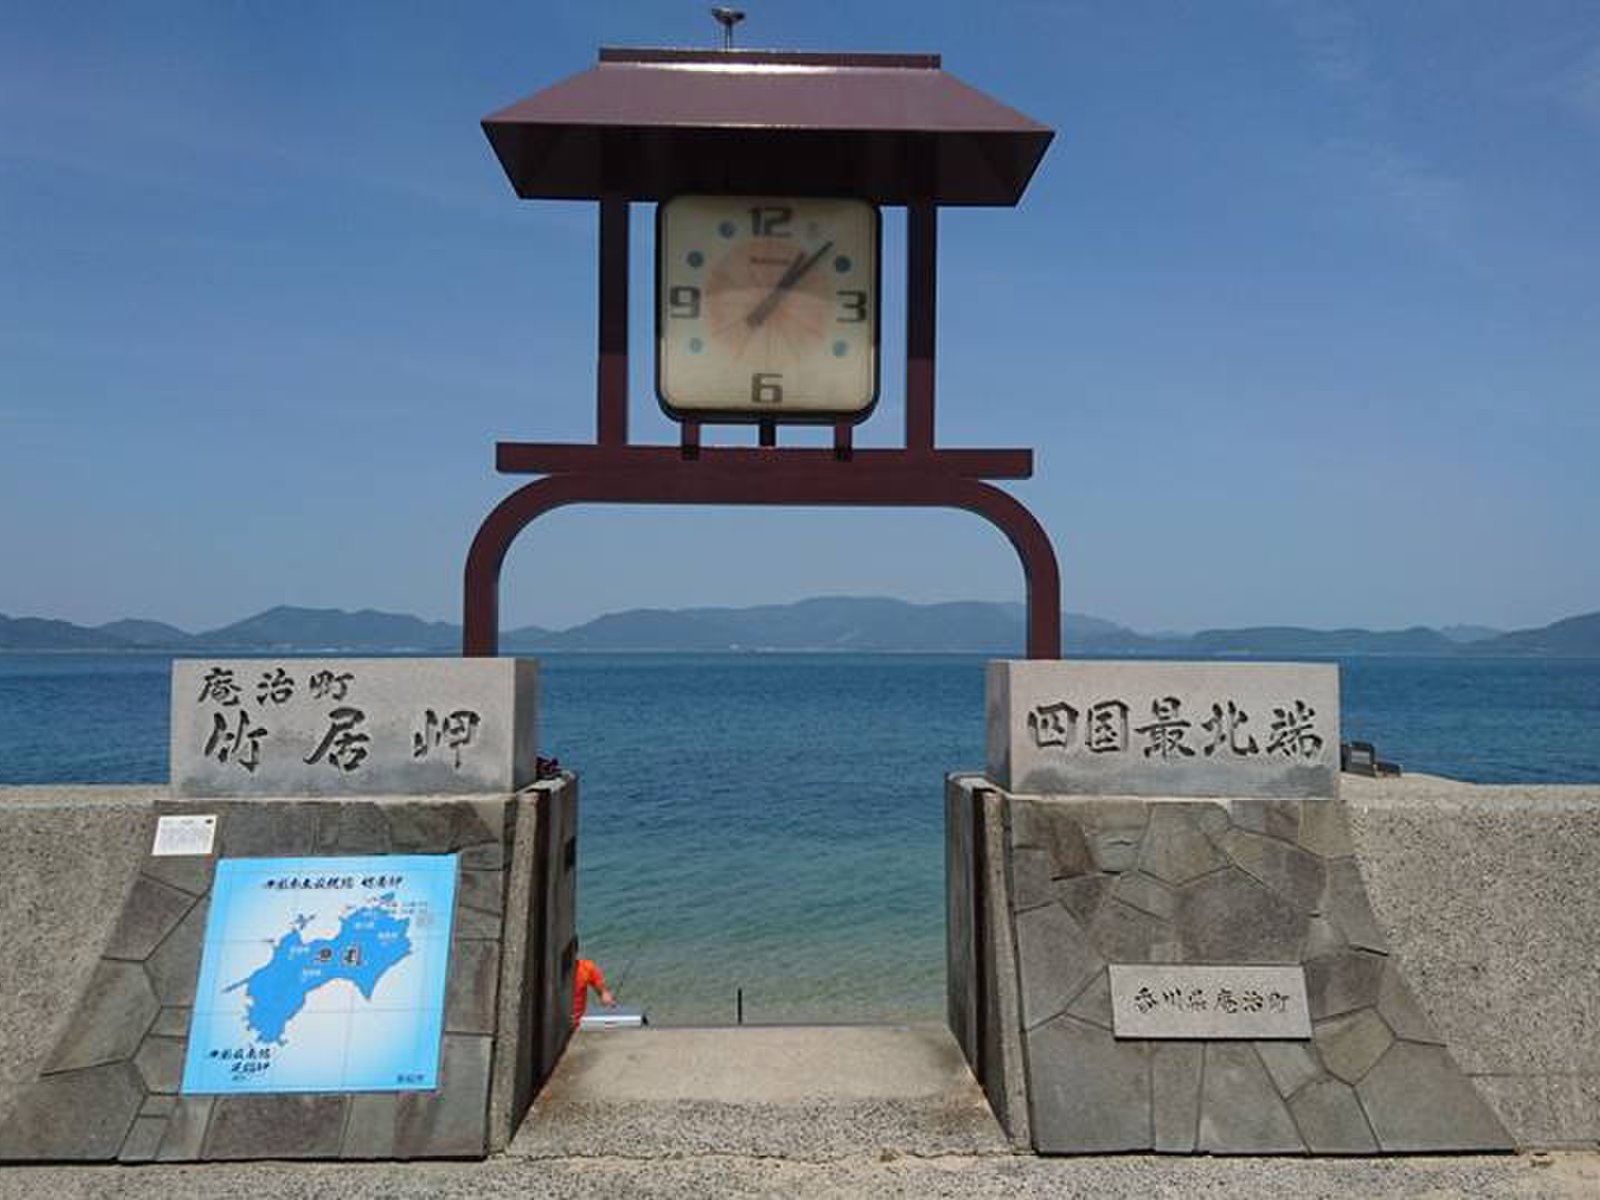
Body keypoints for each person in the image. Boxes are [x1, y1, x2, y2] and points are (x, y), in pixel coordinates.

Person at [572, 948, 617, 1027]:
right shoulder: (552, 971)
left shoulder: (586, 967)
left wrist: (605, 996)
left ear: (576, 950)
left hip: (577, 1023)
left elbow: (601, 990)